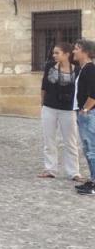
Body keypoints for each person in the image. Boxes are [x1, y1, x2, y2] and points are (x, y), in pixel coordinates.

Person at [38, 42, 81, 182]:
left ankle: (74, 172)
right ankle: (50, 169)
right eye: (54, 53)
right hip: (49, 107)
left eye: (57, 53)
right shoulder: (50, 66)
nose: (54, 55)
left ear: (67, 54)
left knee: (70, 141)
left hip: (68, 110)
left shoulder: (77, 70)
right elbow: (44, 85)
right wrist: (43, 103)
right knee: (49, 140)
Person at [73, 40, 95, 195]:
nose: (74, 51)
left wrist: (86, 109)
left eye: (76, 49)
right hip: (85, 113)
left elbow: (94, 93)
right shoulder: (83, 69)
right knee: (88, 148)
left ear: (85, 51)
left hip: (89, 114)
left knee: (91, 149)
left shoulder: (90, 69)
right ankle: (93, 180)